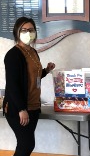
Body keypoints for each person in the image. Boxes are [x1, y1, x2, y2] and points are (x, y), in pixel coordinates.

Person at [3, 17, 55, 156]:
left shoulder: (33, 52)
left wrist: (46, 70)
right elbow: (13, 85)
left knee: (26, 144)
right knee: (26, 144)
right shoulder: (13, 55)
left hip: (33, 106)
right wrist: (21, 109)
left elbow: (32, 77)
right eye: (24, 30)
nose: (28, 33)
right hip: (18, 108)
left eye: (31, 30)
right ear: (17, 32)